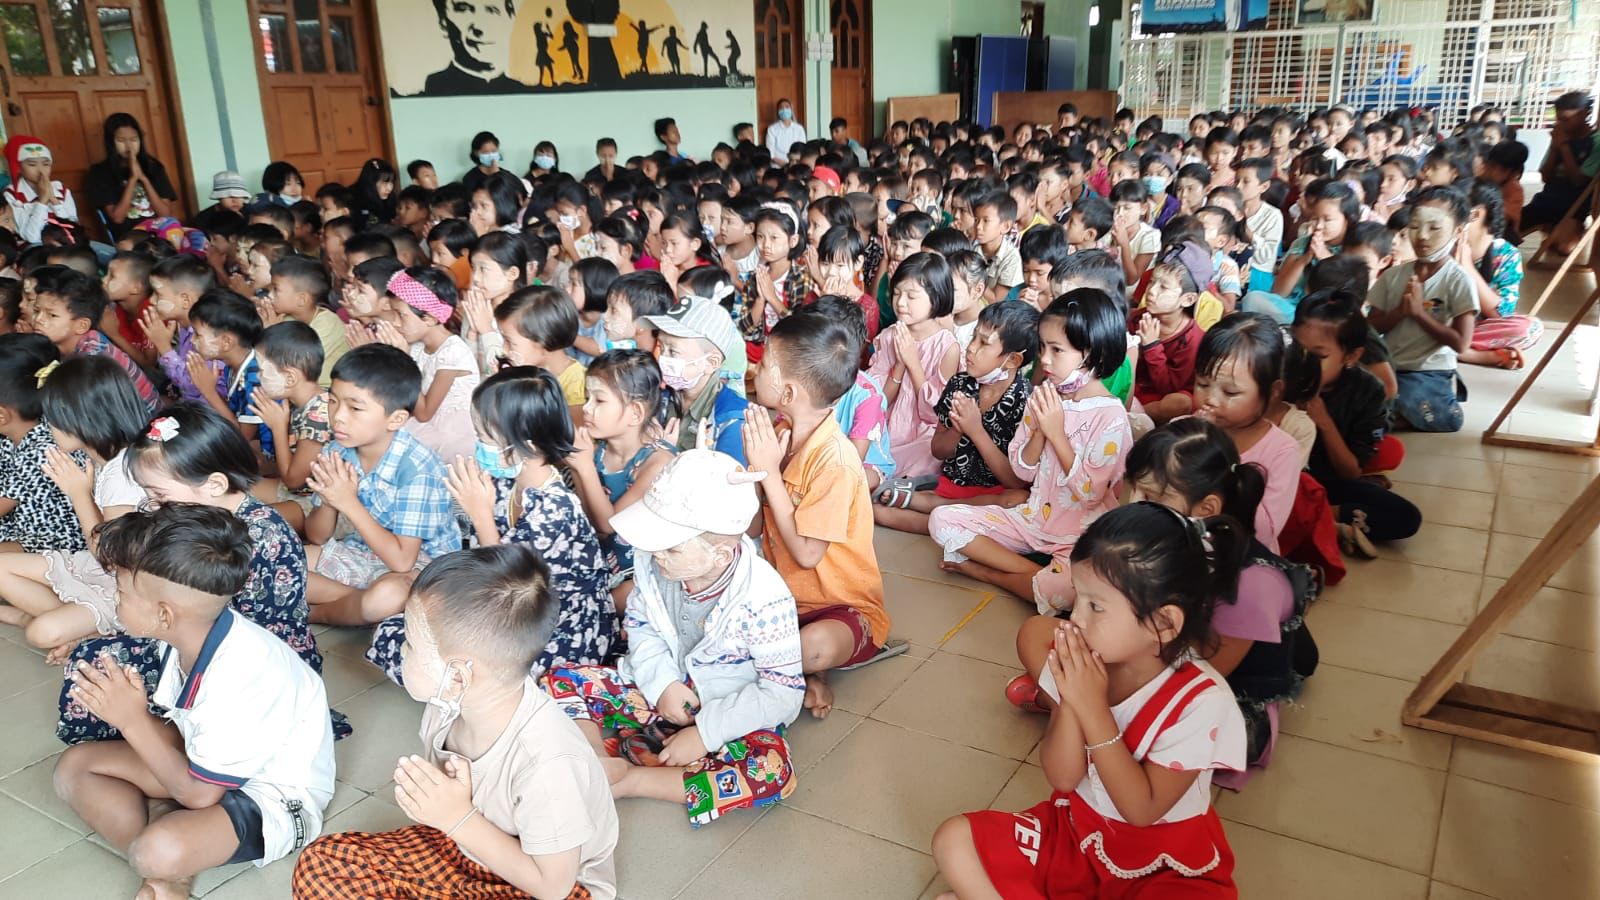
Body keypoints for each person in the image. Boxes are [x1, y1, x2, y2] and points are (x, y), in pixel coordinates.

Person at [934, 502, 1247, 898]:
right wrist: (1070, 700)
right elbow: (1064, 778)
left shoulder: (1201, 701)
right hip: (1076, 836)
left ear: (1163, 623)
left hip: (1162, 865)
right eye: (1077, 598)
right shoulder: (1086, 663)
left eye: (1095, 606)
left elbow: (1142, 810)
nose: (1075, 619)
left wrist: (1093, 708)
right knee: (954, 840)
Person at [296, 544, 618, 899]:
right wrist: (453, 811)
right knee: (323, 865)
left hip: (550, 883)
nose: (401, 649)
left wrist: (457, 817)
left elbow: (552, 886)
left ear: (458, 677)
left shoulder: (548, 761)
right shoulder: (447, 704)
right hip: (466, 847)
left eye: (411, 645)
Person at [51, 501, 332, 900]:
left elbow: (201, 795)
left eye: (121, 591)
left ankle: (164, 861)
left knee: (157, 851)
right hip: (206, 766)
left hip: (270, 793)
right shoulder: (190, 634)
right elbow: (185, 731)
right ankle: (167, 875)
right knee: (75, 767)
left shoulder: (244, 672)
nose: (115, 599)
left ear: (164, 614)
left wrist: (130, 719)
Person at [541, 448, 804, 827]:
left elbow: (782, 692)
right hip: (658, 691)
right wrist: (662, 684)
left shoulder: (764, 598)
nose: (655, 554)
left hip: (722, 709)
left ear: (720, 553)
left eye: (671, 547)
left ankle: (631, 781)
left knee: (770, 771)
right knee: (559, 680)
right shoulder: (652, 562)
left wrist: (705, 733)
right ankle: (597, 763)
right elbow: (641, 627)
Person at [367, 367, 617, 684]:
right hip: (506, 616)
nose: (478, 445)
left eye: (486, 438)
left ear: (530, 445)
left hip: (554, 633)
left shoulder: (554, 509)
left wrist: (480, 514)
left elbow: (511, 588)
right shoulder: (504, 482)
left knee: (435, 662)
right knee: (395, 633)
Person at [929, 289, 1132, 612]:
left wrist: (1056, 433)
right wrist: (1039, 432)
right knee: (941, 520)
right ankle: (1032, 575)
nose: (1045, 360)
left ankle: (988, 572)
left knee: (1065, 592)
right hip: (1033, 519)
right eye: (1042, 348)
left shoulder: (1110, 415)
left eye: (1057, 350)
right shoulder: (1044, 394)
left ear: (1091, 353)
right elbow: (1023, 470)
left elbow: (1091, 494)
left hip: (1077, 534)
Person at [744, 308, 892, 719]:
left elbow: (808, 554)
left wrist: (769, 474)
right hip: (782, 598)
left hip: (841, 607)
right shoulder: (777, 434)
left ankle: (805, 667)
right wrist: (753, 474)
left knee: (814, 646)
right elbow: (755, 526)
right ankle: (805, 675)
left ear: (788, 393)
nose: (754, 368)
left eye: (764, 364)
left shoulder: (837, 462)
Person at [302, 345, 461, 625]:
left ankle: (313, 613)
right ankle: (354, 603)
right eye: (333, 401)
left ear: (396, 418)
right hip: (364, 550)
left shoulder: (418, 468)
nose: (338, 416)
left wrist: (347, 502)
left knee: (385, 596)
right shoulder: (337, 450)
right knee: (278, 562)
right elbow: (316, 536)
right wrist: (329, 501)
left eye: (355, 408)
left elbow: (402, 562)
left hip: (423, 567)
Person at [876, 301, 1036, 535]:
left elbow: (1014, 481)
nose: (970, 348)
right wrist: (958, 429)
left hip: (992, 497)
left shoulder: (1025, 402)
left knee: (1017, 500)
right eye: (973, 338)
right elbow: (938, 450)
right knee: (879, 512)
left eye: (983, 343)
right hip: (952, 487)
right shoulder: (960, 384)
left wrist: (975, 430)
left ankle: (933, 507)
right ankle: (941, 513)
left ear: (1012, 360)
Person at [1292, 290, 1421, 556]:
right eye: (1297, 350)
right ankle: (1322, 524)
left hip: (1327, 483)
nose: (1302, 363)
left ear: (1351, 356)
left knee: (1405, 517)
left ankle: (1321, 516)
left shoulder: (1368, 391)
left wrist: (1323, 421)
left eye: (1318, 356)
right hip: (1279, 482)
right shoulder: (1281, 374)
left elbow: (1350, 472)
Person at [566, 350, 676, 609]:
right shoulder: (597, 449)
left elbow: (608, 525)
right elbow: (586, 518)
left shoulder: (657, 462)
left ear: (636, 413)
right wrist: (577, 466)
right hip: (600, 558)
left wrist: (583, 468)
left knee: (592, 609)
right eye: (587, 398)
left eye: (599, 401)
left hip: (640, 572)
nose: (586, 408)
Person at [1364, 185, 1477, 433]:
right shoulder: (1393, 276)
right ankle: (1391, 414)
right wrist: (1399, 313)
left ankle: (1399, 413)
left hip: (1428, 371)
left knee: (1409, 397)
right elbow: (1370, 327)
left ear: (1457, 231)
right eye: (1415, 227)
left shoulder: (1457, 280)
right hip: (1390, 364)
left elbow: (1461, 344)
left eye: (1434, 227)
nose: (1423, 236)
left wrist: (1419, 314)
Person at [30, 267, 160, 415]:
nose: (38, 320)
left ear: (82, 325)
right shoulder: (73, 345)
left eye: (52, 315)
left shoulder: (93, 360)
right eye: (36, 311)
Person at [0, 334, 80, 555]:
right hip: (20, 528)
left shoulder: (42, 450)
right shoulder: (22, 430)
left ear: (2, 415)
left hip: (52, 543)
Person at [644, 293, 748, 461]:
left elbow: (722, 483)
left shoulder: (732, 419)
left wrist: (664, 455)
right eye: (661, 347)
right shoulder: (659, 395)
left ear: (711, 363)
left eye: (674, 351)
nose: (663, 358)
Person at [247, 321, 328, 527]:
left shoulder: (318, 415)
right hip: (296, 491)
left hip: (321, 505)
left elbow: (293, 480)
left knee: (255, 522)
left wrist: (278, 428)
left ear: (290, 377)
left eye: (263, 371)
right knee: (232, 489)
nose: (258, 377)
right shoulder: (296, 402)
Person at [85, 112, 178, 240]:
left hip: (160, 236)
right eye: (121, 140)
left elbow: (165, 214)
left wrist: (144, 180)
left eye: (134, 139)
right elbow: (117, 218)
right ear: (111, 142)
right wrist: (133, 179)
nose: (129, 146)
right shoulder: (100, 172)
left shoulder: (154, 167)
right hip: (128, 238)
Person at [268, 255, 349, 387]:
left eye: (276, 290)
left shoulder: (328, 324)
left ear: (302, 299)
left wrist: (271, 332)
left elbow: (296, 363)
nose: (269, 296)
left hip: (326, 392)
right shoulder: (287, 317)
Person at [422, 0, 525, 95]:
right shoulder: (432, 92)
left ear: (510, 18)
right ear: (443, 22)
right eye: (464, 9)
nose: (480, 27)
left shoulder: (524, 95)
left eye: (492, 10)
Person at [4, 136, 78, 244]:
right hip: (37, 249)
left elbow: (74, 228)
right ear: (18, 167)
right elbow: (32, 237)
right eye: (32, 164)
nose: (41, 170)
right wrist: (42, 201)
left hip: (67, 242)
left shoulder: (60, 188)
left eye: (46, 164)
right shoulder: (12, 194)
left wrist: (53, 199)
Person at [764, 98, 807, 162]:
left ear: (791, 109)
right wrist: (783, 164)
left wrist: (793, 163)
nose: (784, 109)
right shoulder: (772, 129)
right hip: (777, 166)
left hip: (796, 165)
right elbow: (770, 153)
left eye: (787, 107)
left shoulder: (799, 128)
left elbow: (802, 149)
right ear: (778, 111)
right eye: (781, 108)